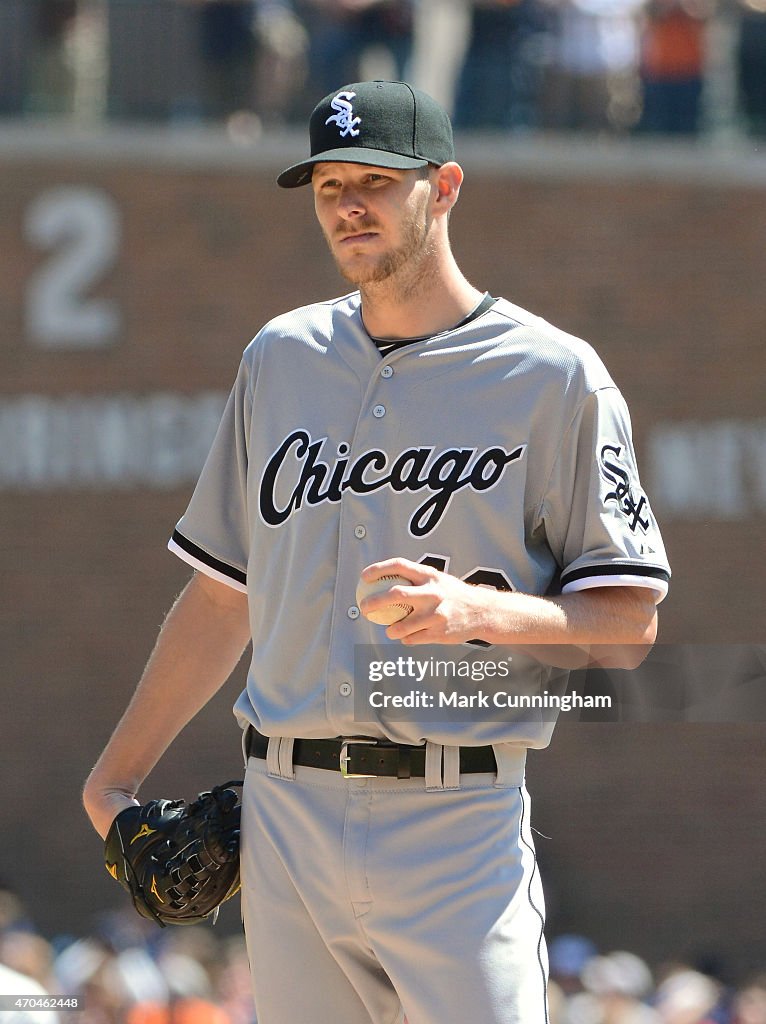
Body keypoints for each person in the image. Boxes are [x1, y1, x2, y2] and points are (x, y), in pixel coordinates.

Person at [83, 79, 671, 1024]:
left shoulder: (556, 375)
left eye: (375, 181)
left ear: (444, 187)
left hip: (457, 821)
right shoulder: (279, 358)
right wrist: (112, 779)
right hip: (284, 815)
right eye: (327, 186)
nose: (348, 204)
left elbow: (629, 623)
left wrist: (479, 614)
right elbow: (224, 595)